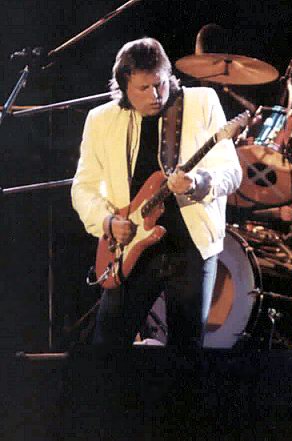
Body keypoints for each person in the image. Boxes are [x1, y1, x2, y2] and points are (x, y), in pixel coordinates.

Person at [71, 37, 242, 348]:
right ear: (123, 87)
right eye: (143, 88)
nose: (154, 95)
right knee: (106, 350)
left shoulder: (202, 102)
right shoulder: (100, 119)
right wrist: (108, 222)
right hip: (131, 248)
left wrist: (198, 182)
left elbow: (232, 173)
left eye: (160, 84)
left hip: (190, 248)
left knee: (185, 356)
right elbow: (83, 187)